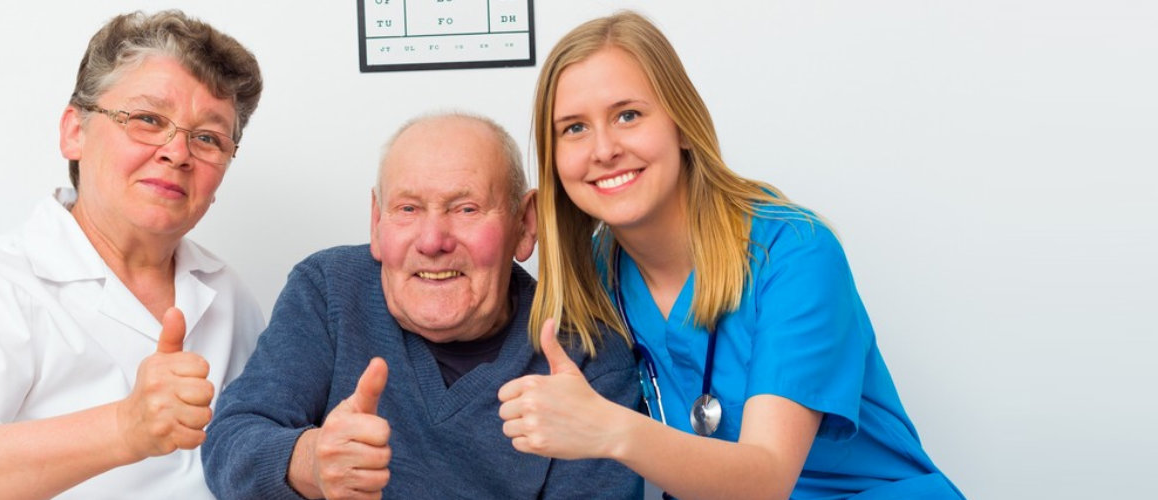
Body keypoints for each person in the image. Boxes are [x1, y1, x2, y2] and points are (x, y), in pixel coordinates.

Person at [496, 11, 965, 499]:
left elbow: (766, 479)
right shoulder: (594, 277)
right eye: (573, 128)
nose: (604, 149)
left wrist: (607, 429)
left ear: (681, 124)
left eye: (627, 115)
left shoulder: (794, 253)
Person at [0, 10, 265, 499]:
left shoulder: (228, 294)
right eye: (149, 119)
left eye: (208, 138)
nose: (178, 152)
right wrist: (125, 427)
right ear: (74, 132)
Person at [202, 112, 643, 499]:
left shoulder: (589, 353)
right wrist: (310, 461)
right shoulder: (328, 291)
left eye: (466, 209)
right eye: (408, 209)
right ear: (377, 222)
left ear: (524, 224)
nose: (432, 241)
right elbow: (229, 445)